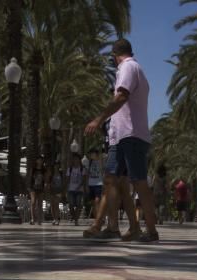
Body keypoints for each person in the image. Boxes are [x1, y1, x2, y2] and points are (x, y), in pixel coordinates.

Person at [85, 38, 160, 243]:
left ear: (115, 55)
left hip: (131, 135)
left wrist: (99, 119)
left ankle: (151, 231)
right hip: (119, 138)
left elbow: (121, 97)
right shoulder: (134, 70)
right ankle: (113, 227)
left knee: (139, 182)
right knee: (110, 180)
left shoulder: (128, 68)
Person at [66, 154, 85, 226]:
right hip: (71, 189)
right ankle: (74, 217)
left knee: (78, 205)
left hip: (79, 190)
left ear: (79, 160)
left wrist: (79, 186)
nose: (75, 161)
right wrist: (66, 189)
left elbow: (83, 179)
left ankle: (76, 220)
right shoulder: (69, 169)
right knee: (70, 205)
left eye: (77, 159)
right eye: (74, 159)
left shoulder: (82, 169)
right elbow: (67, 179)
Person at [86, 148, 104, 217]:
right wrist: (86, 185)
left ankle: (100, 217)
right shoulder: (89, 163)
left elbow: (103, 172)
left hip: (99, 184)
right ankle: (97, 218)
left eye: (92, 153)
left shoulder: (100, 161)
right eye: (90, 154)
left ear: (96, 154)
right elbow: (87, 174)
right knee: (93, 203)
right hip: (91, 184)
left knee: (97, 201)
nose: (91, 155)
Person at [28, 156, 46, 225]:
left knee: (40, 204)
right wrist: (29, 187)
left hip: (41, 188)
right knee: (33, 202)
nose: (40, 161)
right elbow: (30, 178)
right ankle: (33, 219)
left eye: (41, 160)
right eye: (38, 160)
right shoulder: (33, 169)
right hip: (33, 188)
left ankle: (39, 219)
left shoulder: (44, 170)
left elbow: (45, 179)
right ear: (36, 161)